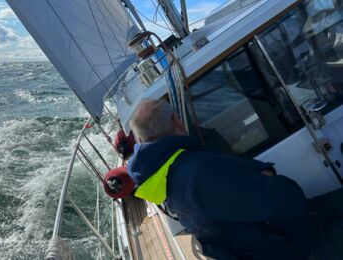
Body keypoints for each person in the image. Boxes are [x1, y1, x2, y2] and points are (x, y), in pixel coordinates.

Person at [127, 99, 312, 259]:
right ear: (176, 120)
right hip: (287, 248)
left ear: (143, 140)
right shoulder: (200, 173)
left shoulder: (160, 177)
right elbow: (290, 200)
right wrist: (267, 176)